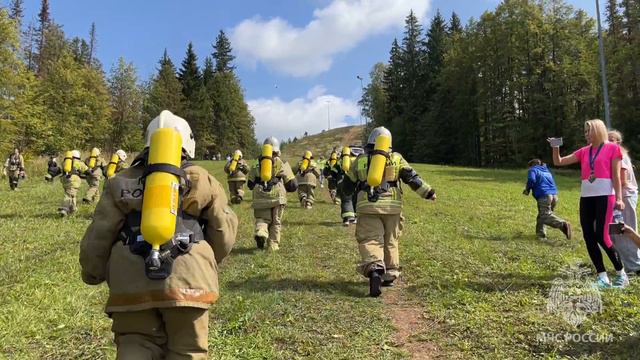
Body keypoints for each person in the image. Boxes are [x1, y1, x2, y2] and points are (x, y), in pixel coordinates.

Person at [79, 110, 238, 359]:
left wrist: (92, 273)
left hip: (130, 284)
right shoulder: (203, 179)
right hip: (189, 283)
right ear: (188, 144)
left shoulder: (119, 182)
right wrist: (208, 260)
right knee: (188, 351)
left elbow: (98, 235)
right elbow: (223, 231)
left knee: (134, 345)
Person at [343, 127, 436, 297]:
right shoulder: (396, 158)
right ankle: (390, 274)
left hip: (367, 207)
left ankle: (374, 269)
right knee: (391, 240)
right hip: (393, 208)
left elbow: (347, 185)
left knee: (371, 239)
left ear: (370, 142)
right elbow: (412, 178)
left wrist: (344, 193)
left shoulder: (361, 160)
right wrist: (428, 192)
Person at [550, 119, 628, 288]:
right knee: (588, 236)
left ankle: (621, 273)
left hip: (605, 196)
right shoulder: (584, 151)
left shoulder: (613, 148)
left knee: (602, 235)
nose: (586, 135)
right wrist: (556, 147)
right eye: (585, 132)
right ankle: (602, 277)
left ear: (598, 130)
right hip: (586, 197)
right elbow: (559, 162)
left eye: (588, 131)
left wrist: (620, 198)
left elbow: (616, 176)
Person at [247, 137, 298, 251]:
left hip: (260, 196)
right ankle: (273, 244)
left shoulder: (256, 163)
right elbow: (292, 185)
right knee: (276, 222)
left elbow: (250, 184)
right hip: (277, 197)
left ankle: (261, 231)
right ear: (277, 150)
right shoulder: (282, 162)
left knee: (262, 218)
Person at [608, 130, 640, 273]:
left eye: (611, 139)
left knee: (624, 232)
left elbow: (623, 180)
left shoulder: (620, 154)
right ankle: (627, 265)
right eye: (606, 139)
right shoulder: (613, 154)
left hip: (624, 197)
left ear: (618, 142)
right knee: (615, 232)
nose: (607, 142)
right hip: (620, 197)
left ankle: (634, 267)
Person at [523, 159, 572, 241]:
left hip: (544, 195)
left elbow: (531, 179)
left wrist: (527, 189)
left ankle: (563, 224)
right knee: (542, 215)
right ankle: (540, 235)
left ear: (532, 165)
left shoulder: (533, 169)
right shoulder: (546, 171)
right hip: (554, 196)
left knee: (545, 216)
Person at [58, 150, 89, 216]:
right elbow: (86, 170)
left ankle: (73, 208)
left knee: (72, 194)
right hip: (74, 181)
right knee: (69, 195)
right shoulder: (78, 163)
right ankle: (64, 208)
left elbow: (61, 169)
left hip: (65, 180)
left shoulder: (64, 163)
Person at [335, 147, 359, 226]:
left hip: (343, 181)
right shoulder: (356, 160)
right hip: (355, 182)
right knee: (355, 199)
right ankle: (355, 217)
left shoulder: (340, 161)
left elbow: (333, 171)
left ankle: (346, 219)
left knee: (346, 200)